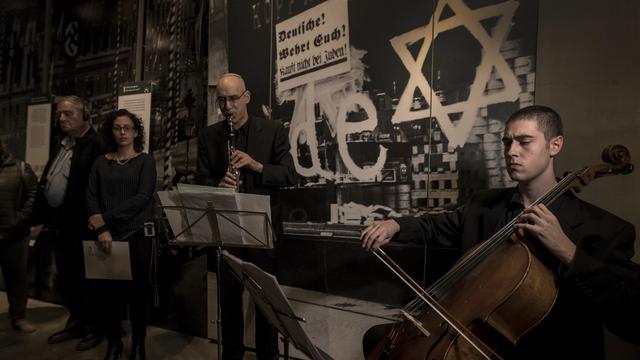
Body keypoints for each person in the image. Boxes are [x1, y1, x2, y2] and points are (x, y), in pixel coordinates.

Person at [360, 105, 640, 359]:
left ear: (555, 145)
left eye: (524, 142)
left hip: (548, 352)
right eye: (507, 142)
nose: (511, 152)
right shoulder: (484, 204)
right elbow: (437, 225)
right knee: (377, 338)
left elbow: (632, 318)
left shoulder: (605, 229)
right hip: (476, 339)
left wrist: (567, 251)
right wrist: (395, 224)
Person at [196, 73, 296, 360]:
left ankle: (268, 357)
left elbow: (289, 174)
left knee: (265, 303)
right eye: (222, 101)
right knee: (228, 302)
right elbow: (200, 180)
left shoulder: (274, 129)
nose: (227, 106)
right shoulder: (209, 136)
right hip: (226, 228)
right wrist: (217, 186)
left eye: (233, 99)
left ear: (247, 97)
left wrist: (257, 165)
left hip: (261, 230)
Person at [32, 95, 106, 350]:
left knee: (89, 282)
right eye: (59, 114)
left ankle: (94, 328)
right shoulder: (63, 142)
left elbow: (100, 187)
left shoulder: (97, 144)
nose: (61, 118)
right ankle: (76, 322)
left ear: (85, 114)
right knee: (68, 280)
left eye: (68, 114)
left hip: (83, 227)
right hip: (61, 225)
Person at [86, 109, 157, 360]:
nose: (123, 132)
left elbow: (142, 197)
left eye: (128, 127)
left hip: (138, 235)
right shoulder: (100, 162)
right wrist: (102, 229)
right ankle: (114, 343)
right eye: (118, 127)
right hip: (107, 237)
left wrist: (105, 218)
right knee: (108, 296)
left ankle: (138, 345)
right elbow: (91, 198)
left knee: (139, 295)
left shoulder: (145, 161)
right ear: (111, 131)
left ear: (136, 132)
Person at [0, 134, 38, 333]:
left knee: (16, 278)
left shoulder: (20, 167)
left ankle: (18, 316)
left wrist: (19, 219)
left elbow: (33, 194)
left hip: (14, 235)